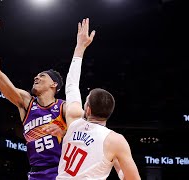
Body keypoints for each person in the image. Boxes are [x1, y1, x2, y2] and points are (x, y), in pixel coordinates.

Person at [0, 17, 67, 180]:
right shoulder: (27, 103)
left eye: (42, 76)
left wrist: (63, 131)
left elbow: (83, 131)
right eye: (37, 75)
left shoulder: (63, 107)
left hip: (61, 171)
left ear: (53, 84)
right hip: (36, 173)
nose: (36, 76)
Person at [57, 18, 141, 179]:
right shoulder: (115, 140)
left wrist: (79, 47)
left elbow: (72, 85)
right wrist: (118, 167)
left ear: (87, 109)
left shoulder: (74, 120)